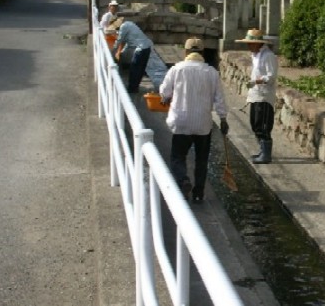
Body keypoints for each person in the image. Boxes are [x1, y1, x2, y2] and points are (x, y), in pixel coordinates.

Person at [159, 38, 229, 203]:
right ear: (202, 53)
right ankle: (198, 193)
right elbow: (219, 99)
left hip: (181, 122)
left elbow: (164, 91)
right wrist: (223, 118)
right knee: (201, 160)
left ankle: (183, 180)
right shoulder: (211, 73)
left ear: (186, 53)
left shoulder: (177, 70)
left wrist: (164, 98)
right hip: (203, 124)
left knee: (178, 157)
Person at [235, 28, 278, 164]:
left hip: (264, 95)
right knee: (255, 123)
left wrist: (257, 81)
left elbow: (271, 76)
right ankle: (262, 150)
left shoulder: (268, 56)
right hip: (255, 94)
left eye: (250, 43)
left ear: (257, 43)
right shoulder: (256, 55)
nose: (248, 46)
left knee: (263, 124)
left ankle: (266, 154)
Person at [111, 18, 153, 94]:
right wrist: (121, 53)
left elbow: (120, 40)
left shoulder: (124, 26)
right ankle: (134, 88)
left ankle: (131, 89)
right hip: (147, 48)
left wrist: (112, 51)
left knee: (134, 69)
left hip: (141, 49)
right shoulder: (130, 25)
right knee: (140, 70)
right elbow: (127, 43)